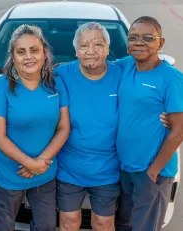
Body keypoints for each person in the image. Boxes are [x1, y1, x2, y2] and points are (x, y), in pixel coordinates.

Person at [0, 24, 70, 231]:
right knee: (4, 227)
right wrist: (29, 163)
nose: (28, 56)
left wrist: (40, 162)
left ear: (44, 52)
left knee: (47, 225)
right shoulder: (0, 88)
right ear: (13, 56)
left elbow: (63, 128)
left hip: (44, 172)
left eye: (34, 50)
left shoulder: (56, 84)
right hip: (8, 176)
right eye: (21, 52)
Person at [115, 16, 183, 231]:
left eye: (147, 38)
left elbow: (179, 131)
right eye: (133, 37)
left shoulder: (171, 77)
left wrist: (153, 171)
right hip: (125, 168)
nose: (139, 43)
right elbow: (92, 68)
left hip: (152, 172)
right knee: (124, 225)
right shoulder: (126, 66)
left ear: (160, 43)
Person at [53, 22, 122, 231]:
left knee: (103, 223)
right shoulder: (61, 74)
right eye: (84, 46)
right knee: (68, 222)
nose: (90, 52)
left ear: (108, 49)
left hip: (108, 167)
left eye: (98, 44)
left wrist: (164, 114)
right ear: (76, 51)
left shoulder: (122, 74)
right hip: (69, 167)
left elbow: (145, 98)